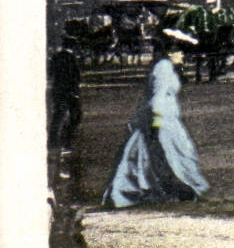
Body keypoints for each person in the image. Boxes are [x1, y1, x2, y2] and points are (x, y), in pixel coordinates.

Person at [103, 33, 210, 207]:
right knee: (165, 154)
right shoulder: (163, 67)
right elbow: (157, 96)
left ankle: (177, 189)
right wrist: (157, 121)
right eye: (180, 52)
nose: (183, 56)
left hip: (168, 117)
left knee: (170, 153)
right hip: (161, 118)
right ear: (170, 53)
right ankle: (169, 190)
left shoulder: (168, 67)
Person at [48, 36, 83, 152]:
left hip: (57, 90)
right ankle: (65, 141)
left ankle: (52, 140)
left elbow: (50, 73)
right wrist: (76, 91)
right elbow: (76, 77)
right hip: (70, 91)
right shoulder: (72, 58)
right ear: (73, 47)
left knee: (58, 115)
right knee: (76, 116)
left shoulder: (56, 57)